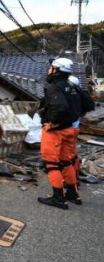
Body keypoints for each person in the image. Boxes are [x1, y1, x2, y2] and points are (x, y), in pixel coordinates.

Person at [38, 58, 82, 209]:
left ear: (56, 70)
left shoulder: (55, 88)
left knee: (51, 163)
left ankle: (58, 198)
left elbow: (60, 107)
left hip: (55, 132)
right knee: (66, 162)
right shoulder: (72, 87)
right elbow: (86, 104)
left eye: (51, 67)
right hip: (70, 129)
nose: (49, 70)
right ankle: (72, 193)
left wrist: (53, 123)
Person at [67, 75, 95, 188]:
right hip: (76, 126)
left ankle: (70, 180)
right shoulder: (81, 94)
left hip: (67, 127)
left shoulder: (69, 95)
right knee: (72, 152)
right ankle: (75, 174)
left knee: (66, 154)